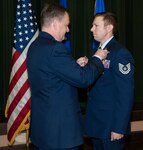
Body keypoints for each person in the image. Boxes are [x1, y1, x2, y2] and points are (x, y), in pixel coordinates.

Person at [27, 4, 108, 150]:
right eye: (66, 25)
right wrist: (97, 58)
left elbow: (52, 75)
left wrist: (74, 66)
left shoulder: (35, 46)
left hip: (43, 129)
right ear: (56, 24)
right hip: (59, 133)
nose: (68, 30)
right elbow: (84, 79)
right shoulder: (55, 48)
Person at [85, 12, 134, 150]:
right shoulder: (96, 52)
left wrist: (119, 127)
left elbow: (125, 94)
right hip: (97, 124)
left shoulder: (120, 53)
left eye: (96, 25)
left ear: (109, 28)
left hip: (111, 126)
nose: (91, 29)